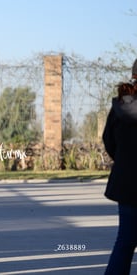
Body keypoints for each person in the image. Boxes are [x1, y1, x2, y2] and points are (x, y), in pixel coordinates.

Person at [103, 59, 137, 275]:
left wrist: (126, 162)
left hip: (127, 184)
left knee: (125, 241)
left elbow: (109, 141)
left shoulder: (120, 106)